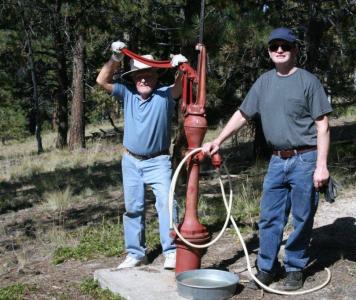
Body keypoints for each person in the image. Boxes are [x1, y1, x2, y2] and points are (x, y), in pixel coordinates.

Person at [202, 27, 332, 290]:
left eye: (285, 46)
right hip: (276, 160)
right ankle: (268, 268)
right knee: (269, 216)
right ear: (269, 52)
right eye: (275, 47)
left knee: (302, 216)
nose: (280, 50)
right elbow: (242, 115)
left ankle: (295, 267)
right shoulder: (263, 82)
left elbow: (323, 125)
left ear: (295, 49)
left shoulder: (308, 81)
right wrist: (218, 140)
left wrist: (321, 166)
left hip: (305, 159)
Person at [96, 41, 187, 269]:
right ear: (133, 78)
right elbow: (101, 80)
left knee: (167, 204)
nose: (143, 79)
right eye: (139, 75)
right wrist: (115, 58)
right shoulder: (127, 94)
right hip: (131, 160)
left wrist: (181, 66)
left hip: (158, 161)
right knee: (133, 207)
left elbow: (180, 86)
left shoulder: (164, 95)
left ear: (156, 77)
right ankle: (136, 254)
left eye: (148, 74)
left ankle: (172, 251)